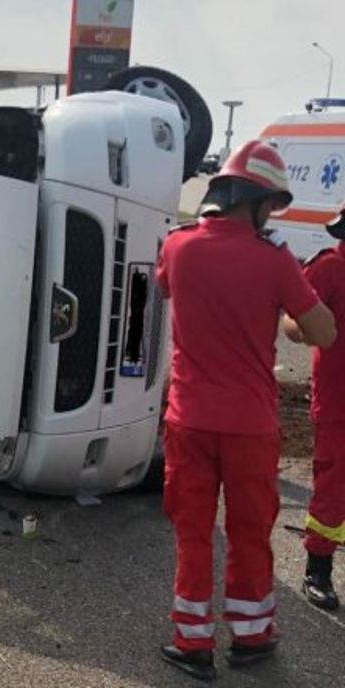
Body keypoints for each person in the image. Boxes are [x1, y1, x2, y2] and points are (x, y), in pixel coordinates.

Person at [155, 140, 336, 680]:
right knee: (249, 534)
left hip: (188, 419)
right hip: (252, 427)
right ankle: (252, 637)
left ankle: (192, 644)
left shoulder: (178, 246)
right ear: (255, 201)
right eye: (272, 206)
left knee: (192, 534)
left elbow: (165, 289)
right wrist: (286, 313)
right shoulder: (275, 259)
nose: (273, 217)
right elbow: (322, 330)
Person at [284, 207, 345, 611]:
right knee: (333, 487)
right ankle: (318, 569)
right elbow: (291, 322)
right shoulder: (329, 267)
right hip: (339, 400)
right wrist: (310, 325)